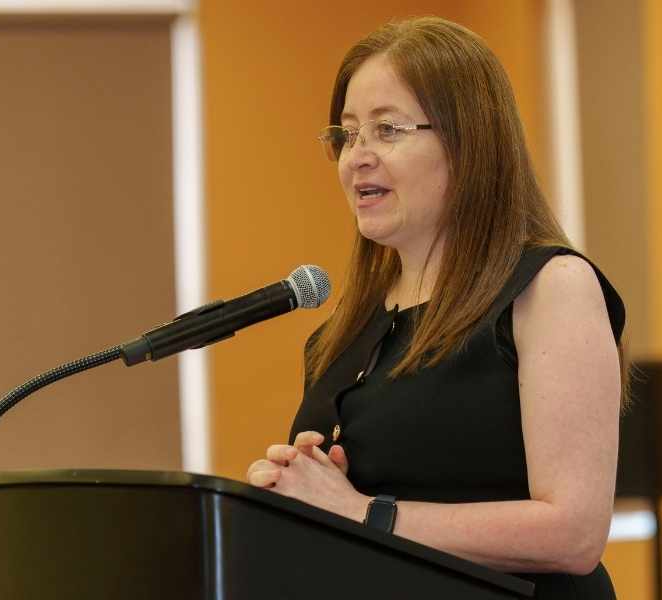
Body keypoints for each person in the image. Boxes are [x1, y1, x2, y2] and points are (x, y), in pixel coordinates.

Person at [247, 16, 624, 599]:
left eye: (387, 129)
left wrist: (366, 514)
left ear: (469, 142)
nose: (357, 158)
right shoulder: (337, 337)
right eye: (347, 135)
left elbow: (574, 534)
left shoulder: (550, 287)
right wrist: (291, 506)